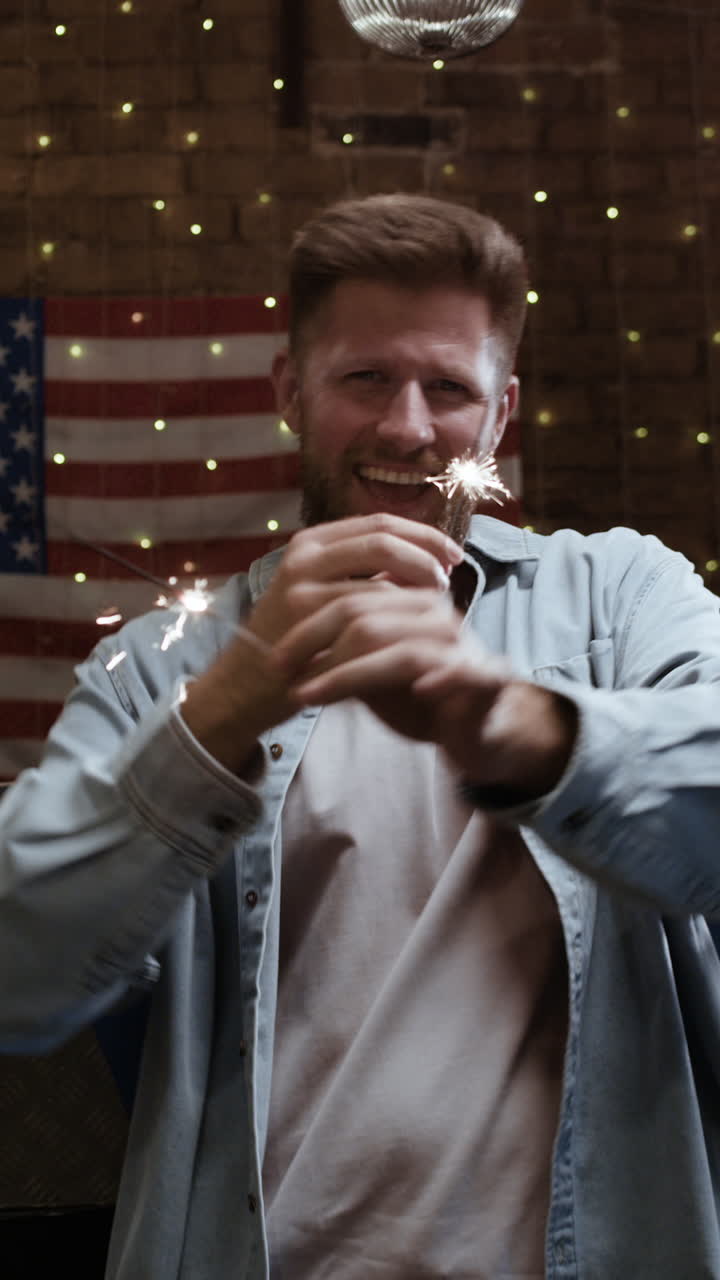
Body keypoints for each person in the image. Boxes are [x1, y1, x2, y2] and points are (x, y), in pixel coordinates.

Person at [2, 192, 720, 1280]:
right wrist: (230, 707)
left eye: (450, 388)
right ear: (289, 389)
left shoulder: (620, 592)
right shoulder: (161, 666)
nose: (407, 427)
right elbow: (19, 972)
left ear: (502, 411)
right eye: (366, 378)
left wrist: (505, 720)